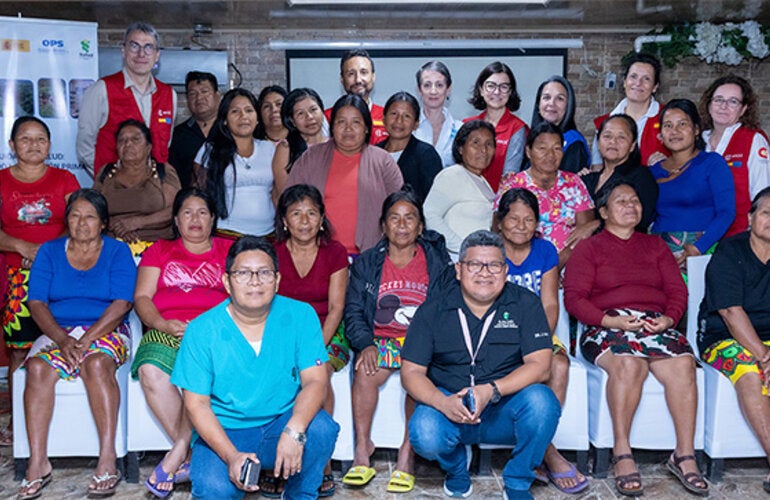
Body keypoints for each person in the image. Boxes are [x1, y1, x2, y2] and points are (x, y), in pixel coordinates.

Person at [564, 180, 708, 497]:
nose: (631, 205)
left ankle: (683, 454)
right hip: (606, 323)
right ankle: (622, 452)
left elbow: (676, 291)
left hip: (653, 323)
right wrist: (609, 320)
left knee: (684, 364)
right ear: (602, 212)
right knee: (629, 366)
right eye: (621, 201)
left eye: (635, 200)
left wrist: (669, 318)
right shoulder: (589, 248)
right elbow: (574, 299)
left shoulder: (655, 246)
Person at [170, 236, 340, 500]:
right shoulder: (202, 330)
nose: (255, 281)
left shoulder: (300, 315)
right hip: (226, 432)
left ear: (277, 280)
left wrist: (294, 429)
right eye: (243, 273)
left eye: (264, 273)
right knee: (214, 490)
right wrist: (231, 456)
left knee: (321, 430)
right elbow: (196, 405)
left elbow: (316, 381)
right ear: (227, 281)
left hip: (280, 423)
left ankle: (299, 494)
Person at [402, 229, 559, 499]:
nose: (485, 273)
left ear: (505, 270)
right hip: (451, 407)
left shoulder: (526, 303)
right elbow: (411, 372)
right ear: (459, 270)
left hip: (503, 408)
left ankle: (518, 481)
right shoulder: (433, 309)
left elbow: (541, 365)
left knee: (543, 402)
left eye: (495, 265)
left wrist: (491, 390)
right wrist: (443, 403)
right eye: (475, 264)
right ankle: (456, 469)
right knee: (424, 432)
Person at [19, 189, 137, 498]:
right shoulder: (49, 251)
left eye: (89, 217)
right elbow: (37, 303)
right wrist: (62, 338)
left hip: (105, 330)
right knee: (37, 369)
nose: (81, 223)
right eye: (74, 216)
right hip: (58, 329)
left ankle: (108, 458)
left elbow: (122, 303)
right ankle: (38, 462)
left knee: (97, 364)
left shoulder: (117, 252)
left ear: (103, 223)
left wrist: (85, 340)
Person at [342, 188, 451, 494]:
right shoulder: (367, 263)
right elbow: (353, 310)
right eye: (395, 218)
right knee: (364, 371)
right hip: (381, 340)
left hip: (422, 342)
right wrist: (365, 343)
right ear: (383, 225)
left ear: (420, 226)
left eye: (410, 218)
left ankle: (407, 456)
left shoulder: (436, 261)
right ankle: (362, 450)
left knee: (416, 376)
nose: (402, 226)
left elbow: (446, 308)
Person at [131, 188, 232, 498]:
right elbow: (142, 298)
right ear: (175, 219)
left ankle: (178, 452)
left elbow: (244, 298)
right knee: (150, 369)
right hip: (167, 327)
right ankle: (192, 455)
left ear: (213, 218)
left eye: (202, 212)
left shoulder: (229, 250)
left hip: (215, 330)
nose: (195, 219)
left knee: (197, 376)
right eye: (187, 212)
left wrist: (205, 328)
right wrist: (162, 324)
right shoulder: (159, 250)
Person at [494, 188, 588, 494]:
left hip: (536, 331)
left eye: (529, 219)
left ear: (538, 224)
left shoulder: (546, 251)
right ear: (499, 221)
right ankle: (547, 452)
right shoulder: (489, 249)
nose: (521, 225)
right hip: (494, 335)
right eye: (514, 218)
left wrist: (535, 342)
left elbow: (549, 304)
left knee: (558, 364)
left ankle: (537, 448)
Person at [0, 117, 80, 448]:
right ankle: (20, 424)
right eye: (25, 139)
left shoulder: (65, 179)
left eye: (40, 139)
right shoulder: (2, 181)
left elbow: (81, 220)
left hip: (60, 273)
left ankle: (64, 421)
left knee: (62, 341)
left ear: (50, 144)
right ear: (11, 145)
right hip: (15, 279)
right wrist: (21, 246)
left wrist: (46, 252)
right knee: (20, 350)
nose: (33, 145)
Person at [272, 184, 348, 498]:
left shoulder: (335, 253)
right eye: (296, 214)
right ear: (285, 221)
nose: (304, 221)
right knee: (277, 375)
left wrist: (313, 348)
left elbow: (336, 308)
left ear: (321, 219)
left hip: (327, 332)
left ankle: (321, 461)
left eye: (311, 213)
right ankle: (276, 462)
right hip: (281, 333)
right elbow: (266, 307)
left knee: (320, 371)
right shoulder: (273, 254)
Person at [698, 187, 770, 493]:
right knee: (750, 372)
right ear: (751, 218)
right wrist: (765, 357)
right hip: (723, 337)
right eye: (766, 212)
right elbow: (729, 311)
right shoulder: (730, 251)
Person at [286, 94, 403, 255]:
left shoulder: (383, 161)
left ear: (367, 127)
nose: (348, 128)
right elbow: (290, 202)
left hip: (371, 257)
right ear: (332, 127)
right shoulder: (311, 157)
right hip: (319, 255)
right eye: (341, 122)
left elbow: (399, 208)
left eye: (356, 122)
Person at [77, 22, 176, 177]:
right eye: (134, 46)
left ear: (157, 55)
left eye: (148, 47)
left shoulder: (169, 94)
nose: (141, 54)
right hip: (114, 191)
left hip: (155, 190)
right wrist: (106, 178)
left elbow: (165, 144)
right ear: (123, 51)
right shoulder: (102, 89)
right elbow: (85, 146)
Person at [496, 122, 595, 269]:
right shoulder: (512, 185)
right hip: (524, 268)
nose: (550, 155)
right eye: (542, 148)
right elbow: (498, 232)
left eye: (556, 148)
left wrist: (555, 266)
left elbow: (584, 232)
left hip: (570, 265)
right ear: (528, 151)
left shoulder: (573, 183)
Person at [650, 99, 735, 268]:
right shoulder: (652, 171)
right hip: (659, 253)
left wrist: (698, 248)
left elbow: (727, 212)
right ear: (661, 134)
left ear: (696, 129)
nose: (674, 131)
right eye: (667, 125)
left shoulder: (712, 163)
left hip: (700, 251)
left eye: (682, 124)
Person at [93, 119, 181, 256]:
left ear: (148, 148)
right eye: (122, 140)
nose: (128, 144)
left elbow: (176, 210)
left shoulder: (163, 171)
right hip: (111, 247)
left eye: (135, 139)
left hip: (157, 249)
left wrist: (137, 223)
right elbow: (93, 210)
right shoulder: (105, 173)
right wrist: (118, 227)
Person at [196, 88, 277, 237]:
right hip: (225, 234)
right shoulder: (210, 150)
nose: (243, 116)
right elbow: (200, 193)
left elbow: (277, 193)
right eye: (235, 111)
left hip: (268, 235)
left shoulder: (269, 149)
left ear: (257, 118)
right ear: (225, 120)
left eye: (249, 110)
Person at [699, 74, 770, 236]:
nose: (723, 106)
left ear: (743, 109)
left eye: (733, 102)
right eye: (718, 99)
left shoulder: (753, 139)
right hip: (701, 235)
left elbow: (763, 195)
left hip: (739, 236)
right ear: (709, 104)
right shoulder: (698, 141)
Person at [423, 120, 496, 258]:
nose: (484, 150)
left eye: (489, 144)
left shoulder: (483, 181)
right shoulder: (452, 175)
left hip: (479, 262)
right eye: (476, 143)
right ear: (461, 148)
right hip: (457, 262)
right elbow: (429, 214)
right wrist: (462, 247)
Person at [581, 114, 658, 232]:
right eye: (607, 136)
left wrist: (595, 224)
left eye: (621, 137)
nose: (613, 142)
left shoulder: (641, 176)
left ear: (632, 145)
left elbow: (639, 220)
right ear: (598, 142)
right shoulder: (589, 179)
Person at [591, 52, 668, 167]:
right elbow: (597, 167)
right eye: (633, 76)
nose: (638, 83)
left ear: (655, 87)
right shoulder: (604, 123)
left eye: (646, 79)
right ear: (624, 81)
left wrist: (669, 163)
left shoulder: (667, 119)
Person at [464, 61, 528, 192]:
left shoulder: (517, 129)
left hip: (500, 203)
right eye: (491, 86)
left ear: (510, 92)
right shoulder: (467, 125)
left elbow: (510, 178)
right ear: (481, 89)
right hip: (467, 199)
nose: (497, 92)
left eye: (504, 87)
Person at [376, 91, 442, 203]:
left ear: (416, 124)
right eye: (393, 114)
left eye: (407, 116)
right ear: (383, 119)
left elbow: (435, 201)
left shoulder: (426, 155)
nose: (399, 121)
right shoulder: (374, 153)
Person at [271, 88, 327, 199]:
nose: (309, 117)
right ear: (292, 121)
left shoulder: (333, 145)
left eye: (313, 110)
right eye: (300, 113)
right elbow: (285, 193)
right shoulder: (286, 148)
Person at [168, 71, 221, 189]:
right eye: (193, 94)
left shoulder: (229, 130)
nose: (199, 98)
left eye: (204, 92)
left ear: (217, 96)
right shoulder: (177, 135)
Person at [324, 49, 387, 144]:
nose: (358, 80)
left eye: (364, 72)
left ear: (373, 76)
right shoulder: (326, 118)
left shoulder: (388, 117)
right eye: (351, 74)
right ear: (342, 79)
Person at [530, 75, 590, 173]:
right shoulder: (531, 137)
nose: (551, 103)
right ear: (538, 103)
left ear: (568, 105)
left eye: (560, 99)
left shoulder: (574, 143)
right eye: (546, 97)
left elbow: (567, 184)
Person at [414, 60, 463, 167]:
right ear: (419, 90)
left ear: (448, 89)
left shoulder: (460, 129)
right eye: (427, 85)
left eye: (439, 85)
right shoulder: (409, 127)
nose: (433, 91)